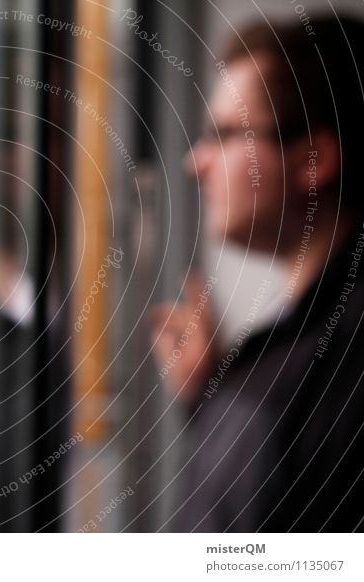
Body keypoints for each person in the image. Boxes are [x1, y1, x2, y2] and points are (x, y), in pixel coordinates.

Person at [149, 15, 364, 531]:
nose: (193, 162)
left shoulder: (341, 353)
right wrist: (217, 394)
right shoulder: (305, 335)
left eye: (224, 135)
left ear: (314, 159)